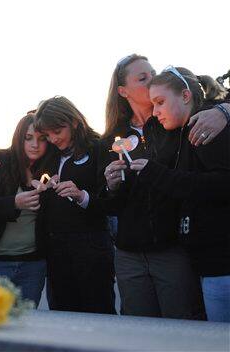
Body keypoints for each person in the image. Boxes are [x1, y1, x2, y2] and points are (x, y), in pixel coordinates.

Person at [99, 54, 229, 319]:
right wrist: (111, 187)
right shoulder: (111, 139)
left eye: (153, 74)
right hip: (132, 251)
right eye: (143, 78)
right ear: (123, 91)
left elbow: (208, 93)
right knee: (139, 329)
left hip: (176, 250)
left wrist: (224, 110)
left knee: (184, 326)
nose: (150, 82)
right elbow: (110, 204)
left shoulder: (185, 123)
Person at [34, 96, 115, 314]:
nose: (52, 139)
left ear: (75, 122)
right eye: (47, 134)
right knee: (62, 316)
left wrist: (82, 197)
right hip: (56, 250)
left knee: (98, 313)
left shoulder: (99, 148)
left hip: (92, 249)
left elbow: (112, 202)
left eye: (57, 132)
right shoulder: (50, 154)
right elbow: (20, 156)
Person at [0, 114, 53, 306]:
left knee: (24, 326)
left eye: (42, 139)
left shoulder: (50, 167)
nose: (35, 145)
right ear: (18, 137)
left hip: (32, 265)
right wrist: (13, 203)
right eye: (28, 138)